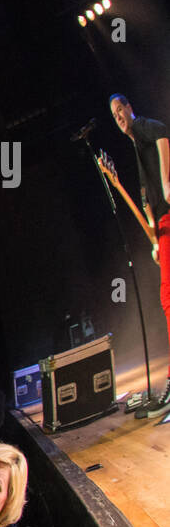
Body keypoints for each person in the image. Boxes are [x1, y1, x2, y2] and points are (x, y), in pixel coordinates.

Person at [110, 94, 170, 409]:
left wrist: (167, 181)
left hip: (169, 219)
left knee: (167, 296)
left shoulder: (146, 128)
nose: (119, 116)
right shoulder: (136, 148)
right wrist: (155, 241)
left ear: (131, 108)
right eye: (115, 115)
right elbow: (147, 203)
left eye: (121, 110)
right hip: (162, 226)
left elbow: (162, 132)